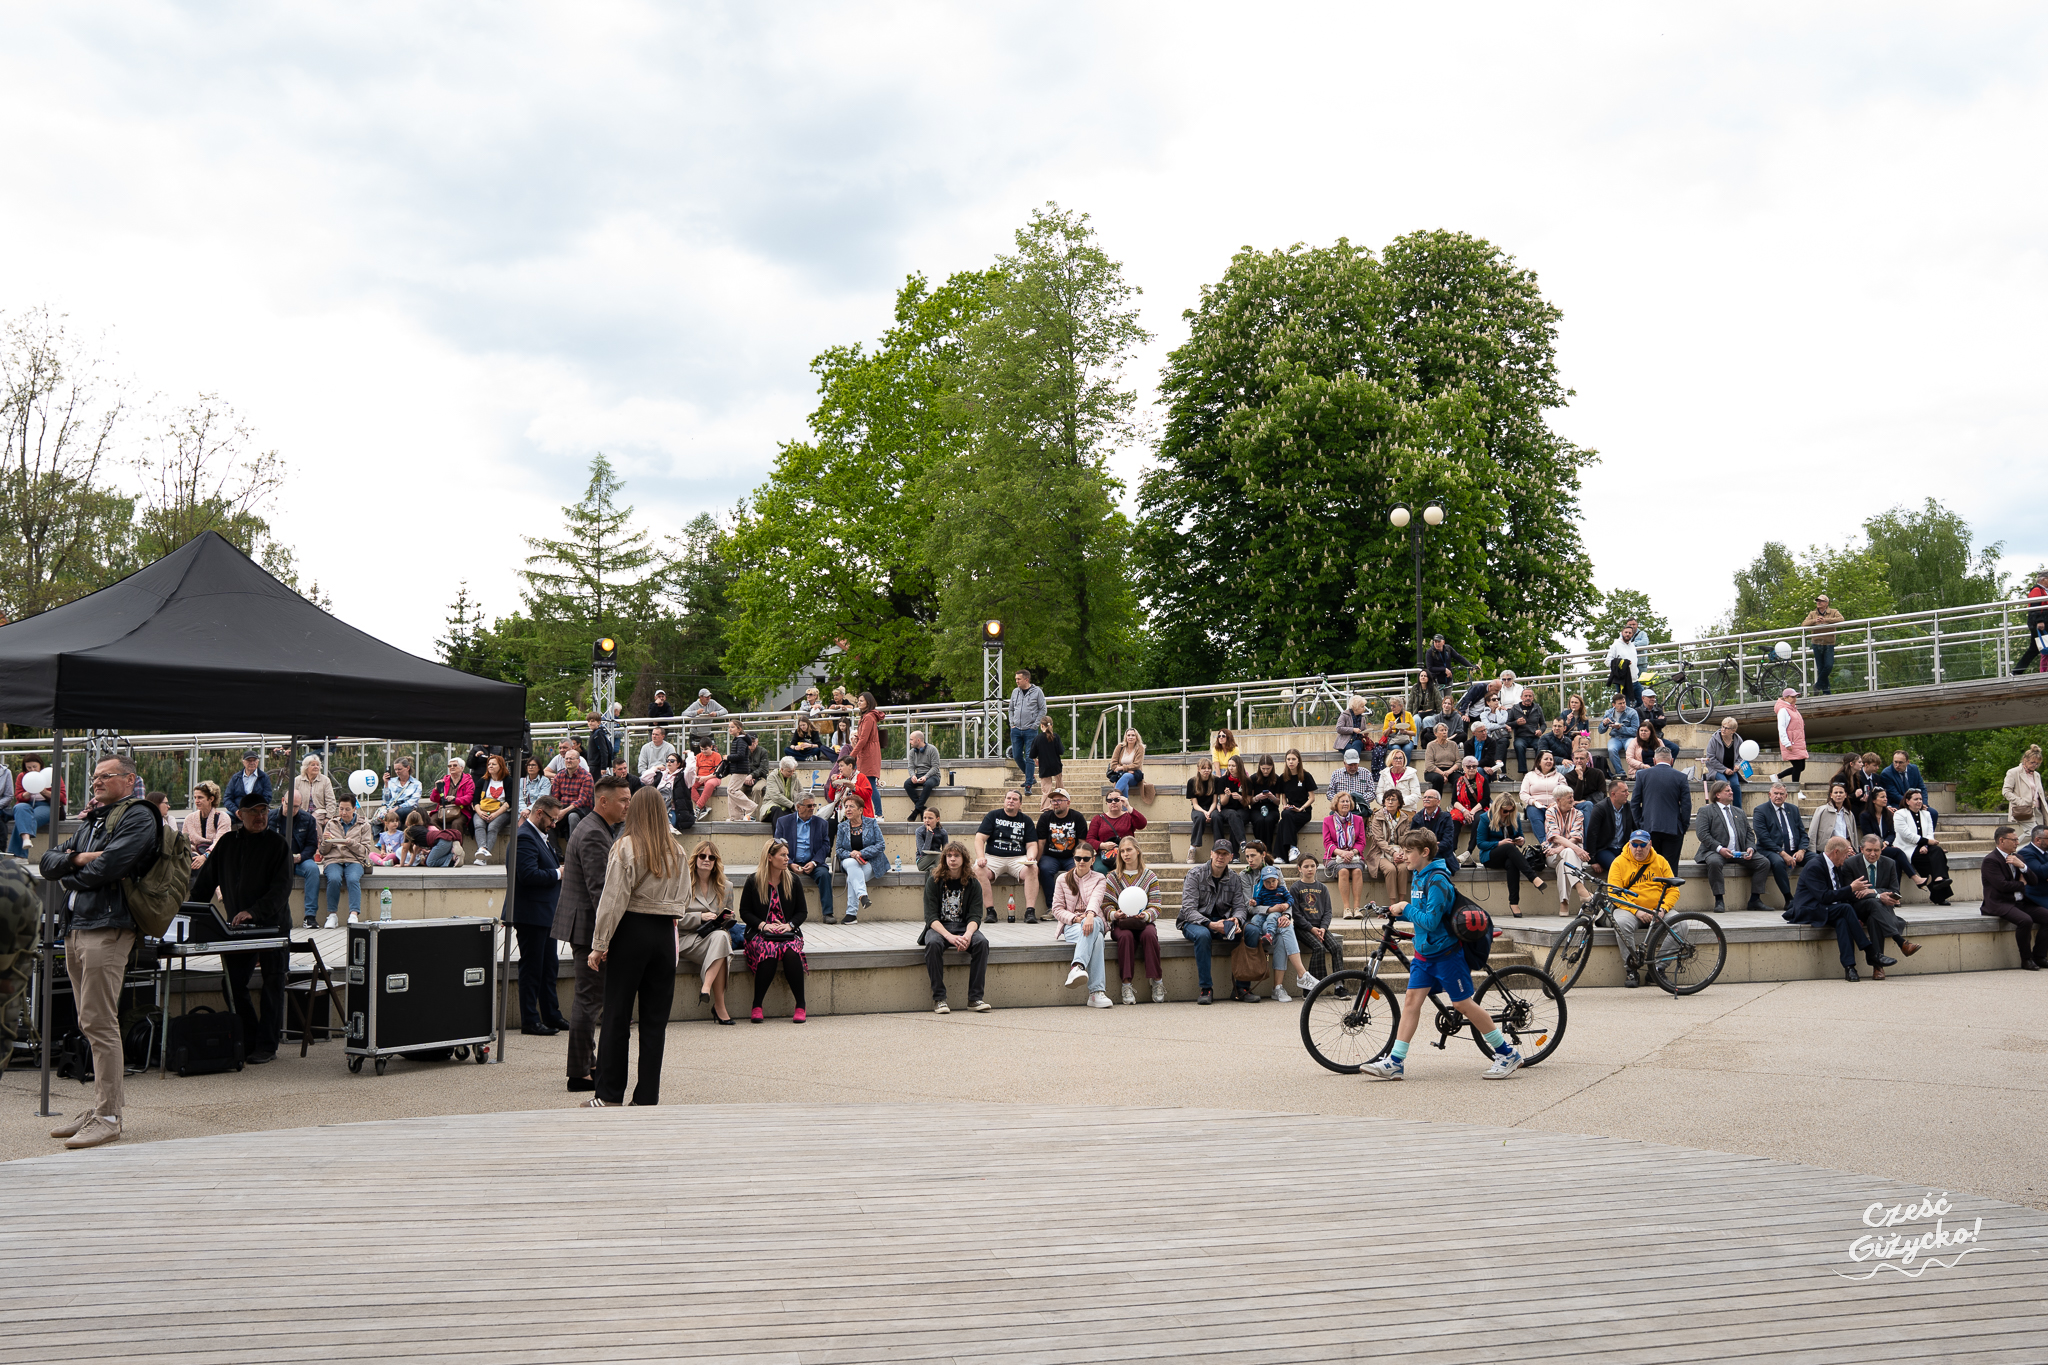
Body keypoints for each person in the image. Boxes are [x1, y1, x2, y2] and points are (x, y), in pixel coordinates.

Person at [39, 757, 161, 1148]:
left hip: (107, 929)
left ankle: (109, 1116)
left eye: (105, 776)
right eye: (94, 777)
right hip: (78, 927)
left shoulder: (138, 816)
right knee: (89, 1021)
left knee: (100, 1022)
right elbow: (47, 862)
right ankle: (99, 1107)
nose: (96, 782)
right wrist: (77, 858)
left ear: (129, 779)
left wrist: (72, 872)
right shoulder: (95, 820)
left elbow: (110, 867)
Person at [1360, 828, 1525, 1081]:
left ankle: (1507, 1053)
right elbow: (1421, 912)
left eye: (1408, 852)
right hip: (1424, 954)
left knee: (1462, 1004)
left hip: (1446, 954)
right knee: (1411, 1002)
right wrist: (1395, 912)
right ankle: (1395, 1062)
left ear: (1425, 852)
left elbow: (1430, 920)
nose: (1403, 856)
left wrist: (1405, 907)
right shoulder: (1419, 875)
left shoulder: (1437, 880)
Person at [580, 787, 687, 1108]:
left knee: (617, 1016)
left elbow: (613, 899)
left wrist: (599, 944)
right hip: (664, 935)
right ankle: (646, 1097)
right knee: (655, 1023)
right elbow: (684, 898)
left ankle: (609, 1095)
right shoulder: (678, 850)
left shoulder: (625, 846)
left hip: (631, 932)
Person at [185, 790, 294, 1066]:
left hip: (273, 926)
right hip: (239, 929)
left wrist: (254, 911)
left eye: (263, 811)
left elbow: (281, 889)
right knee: (232, 983)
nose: (260, 816)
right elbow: (204, 884)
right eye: (253, 812)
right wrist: (190, 913)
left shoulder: (278, 844)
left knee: (273, 983)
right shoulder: (227, 844)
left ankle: (267, 1045)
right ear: (240, 815)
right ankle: (251, 1037)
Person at [551, 773, 630, 1093]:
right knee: (589, 1001)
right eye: (623, 800)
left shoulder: (593, 827)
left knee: (590, 999)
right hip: (588, 929)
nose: (627, 805)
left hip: (583, 925)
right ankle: (579, 1073)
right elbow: (601, 892)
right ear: (603, 801)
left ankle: (589, 1064)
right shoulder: (595, 833)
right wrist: (606, 938)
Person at [510, 796, 571, 1035]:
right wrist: (558, 873)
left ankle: (551, 1015)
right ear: (539, 813)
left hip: (544, 913)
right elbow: (527, 875)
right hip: (531, 914)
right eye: (552, 819)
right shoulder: (525, 836)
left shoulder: (537, 836)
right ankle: (530, 1020)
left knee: (549, 967)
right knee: (532, 968)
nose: (554, 824)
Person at [1787, 836, 1877, 981]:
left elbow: (1839, 895)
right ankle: (1870, 951)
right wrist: (1851, 888)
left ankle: (1850, 968)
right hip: (1809, 909)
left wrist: (1855, 918)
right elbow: (1824, 896)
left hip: (1827, 908)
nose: (1847, 858)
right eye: (1846, 854)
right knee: (1845, 909)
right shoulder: (1814, 866)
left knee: (1843, 920)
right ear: (1836, 852)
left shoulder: (1837, 866)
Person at [740, 837, 810, 1022]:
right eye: (783, 855)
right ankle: (757, 1005)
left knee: (791, 951)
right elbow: (744, 912)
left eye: (787, 855)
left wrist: (789, 925)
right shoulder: (753, 881)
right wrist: (763, 925)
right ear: (770, 857)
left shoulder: (793, 880)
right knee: (769, 950)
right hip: (760, 932)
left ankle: (800, 1005)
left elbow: (802, 912)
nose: (787, 859)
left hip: (788, 932)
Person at [1178, 839, 1253, 1006]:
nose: (1220, 856)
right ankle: (1206, 989)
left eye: (1225, 854)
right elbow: (1189, 910)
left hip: (1223, 921)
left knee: (1252, 931)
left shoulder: (1234, 878)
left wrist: (1236, 920)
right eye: (1218, 853)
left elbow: (1240, 907)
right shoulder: (1195, 874)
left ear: (1231, 857)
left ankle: (1241, 988)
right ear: (1211, 854)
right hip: (1194, 922)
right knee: (1203, 935)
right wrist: (1211, 925)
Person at [922, 842, 990, 1013]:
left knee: (982, 943)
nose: (952, 859)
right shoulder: (934, 881)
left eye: (956, 856)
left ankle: (975, 999)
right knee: (933, 944)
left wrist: (967, 934)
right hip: (939, 928)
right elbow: (930, 918)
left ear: (964, 859)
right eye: (949, 855)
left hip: (964, 927)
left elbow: (975, 916)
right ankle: (939, 999)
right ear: (944, 858)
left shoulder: (973, 883)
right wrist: (949, 937)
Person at [1606, 829, 1678, 989]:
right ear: (1629, 844)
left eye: (1643, 845)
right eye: (1635, 844)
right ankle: (1631, 969)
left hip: (1658, 910)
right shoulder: (1618, 862)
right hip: (1630, 909)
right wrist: (1636, 911)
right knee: (1621, 923)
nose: (1638, 849)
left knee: (1681, 924)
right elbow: (1613, 893)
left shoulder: (1661, 861)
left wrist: (1663, 909)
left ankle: (1657, 970)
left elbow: (1674, 890)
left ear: (1650, 844)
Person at [1049, 838, 1115, 1008]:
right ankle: (1096, 993)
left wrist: (1090, 915)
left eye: (1086, 858)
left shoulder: (1100, 878)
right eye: (1078, 858)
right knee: (1097, 939)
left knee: (1094, 927)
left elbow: (1096, 899)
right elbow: (1057, 909)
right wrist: (1076, 919)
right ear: (1074, 859)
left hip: (1095, 920)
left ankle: (1077, 967)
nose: (1081, 862)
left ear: (1093, 860)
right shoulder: (1062, 879)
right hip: (1072, 925)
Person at [678, 840, 739, 1025]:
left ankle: (706, 988)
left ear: (715, 862)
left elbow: (729, 920)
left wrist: (727, 918)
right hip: (686, 939)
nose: (706, 860)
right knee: (722, 947)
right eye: (702, 856)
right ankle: (719, 1006)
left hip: (712, 938)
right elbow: (674, 919)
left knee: (721, 937)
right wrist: (700, 917)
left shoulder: (726, 886)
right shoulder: (683, 883)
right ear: (695, 858)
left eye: (711, 857)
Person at [1104, 836, 1165, 1004]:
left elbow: (1156, 905)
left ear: (1137, 851)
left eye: (1129, 850)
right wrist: (1114, 914)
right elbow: (1106, 904)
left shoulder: (1149, 876)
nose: (1125, 854)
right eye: (1122, 851)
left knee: (1149, 935)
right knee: (1126, 937)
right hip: (1122, 924)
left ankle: (1157, 981)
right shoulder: (1113, 877)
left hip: (1143, 922)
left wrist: (1146, 915)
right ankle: (1126, 984)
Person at [1244, 862, 1316, 1002]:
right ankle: (1301, 974)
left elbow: (1289, 900)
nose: (1250, 860)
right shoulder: (1245, 876)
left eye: (1253, 855)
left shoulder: (1279, 881)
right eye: (1247, 856)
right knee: (1280, 925)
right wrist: (1269, 908)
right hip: (1261, 919)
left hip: (1275, 918)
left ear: (1263, 855)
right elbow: (1251, 908)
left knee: (1284, 926)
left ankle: (1278, 987)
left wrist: (1286, 914)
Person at [1850, 832, 1919, 975]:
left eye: (1876, 850)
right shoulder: (1850, 864)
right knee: (1874, 903)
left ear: (1882, 849)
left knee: (1874, 919)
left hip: (1880, 910)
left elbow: (1894, 890)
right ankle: (1900, 942)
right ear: (1861, 849)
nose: (1873, 854)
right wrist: (1878, 895)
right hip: (1858, 907)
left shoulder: (1890, 863)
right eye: (1869, 850)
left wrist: (1873, 892)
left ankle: (1878, 967)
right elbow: (1851, 893)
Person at [1694, 780, 1765, 912]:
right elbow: (1702, 834)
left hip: (1739, 852)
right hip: (1715, 851)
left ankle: (1755, 899)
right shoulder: (1706, 811)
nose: (1731, 792)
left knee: (1763, 862)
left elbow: (1749, 834)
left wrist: (1750, 848)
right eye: (1727, 791)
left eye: (1731, 790)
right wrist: (1720, 849)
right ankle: (1719, 900)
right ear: (1717, 795)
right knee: (1714, 862)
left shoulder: (1739, 812)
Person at [1477, 792, 1547, 918]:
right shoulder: (1485, 818)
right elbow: (1481, 843)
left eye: (1511, 810)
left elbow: (1520, 835)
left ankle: (1514, 903)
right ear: (1497, 807)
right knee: (1509, 847)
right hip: (1490, 856)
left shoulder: (1514, 817)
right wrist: (1499, 843)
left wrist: (1521, 841)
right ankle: (1533, 877)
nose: (1508, 813)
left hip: (1509, 855)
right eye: (1505, 811)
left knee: (1512, 863)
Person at [975, 786, 1038, 922]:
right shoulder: (993, 816)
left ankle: (1030, 912)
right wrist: (980, 857)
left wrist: (1031, 857)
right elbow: (979, 838)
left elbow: (1032, 844)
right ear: (1004, 801)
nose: (1011, 801)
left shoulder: (1026, 820)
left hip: (1018, 858)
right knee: (978, 869)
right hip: (994, 857)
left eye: (1015, 799)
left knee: (1033, 868)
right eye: (1008, 798)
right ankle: (990, 912)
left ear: (1020, 804)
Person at [774, 792, 835, 924]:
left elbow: (825, 846)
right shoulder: (783, 822)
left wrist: (814, 862)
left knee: (824, 874)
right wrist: (789, 863)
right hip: (789, 862)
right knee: (780, 874)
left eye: (813, 805)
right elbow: (777, 845)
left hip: (813, 862)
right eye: (808, 806)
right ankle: (781, 914)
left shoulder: (822, 823)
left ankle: (828, 913)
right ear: (798, 807)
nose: (812, 808)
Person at [1630, 747, 1692, 871]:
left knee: (1650, 869)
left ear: (1654, 760)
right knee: (1670, 869)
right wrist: (1683, 826)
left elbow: (1635, 803)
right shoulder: (1681, 777)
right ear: (1672, 760)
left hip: (1649, 827)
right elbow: (1686, 805)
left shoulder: (1642, 775)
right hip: (1673, 828)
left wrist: (1641, 824)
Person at [1751, 781, 1809, 909]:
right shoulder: (1760, 810)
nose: (1778, 796)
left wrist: (1802, 850)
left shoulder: (1793, 809)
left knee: (1816, 860)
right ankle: (1788, 898)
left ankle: (1810, 895)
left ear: (1786, 796)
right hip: (1771, 850)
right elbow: (1763, 838)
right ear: (1769, 795)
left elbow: (1803, 834)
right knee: (1778, 862)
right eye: (1775, 793)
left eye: (1781, 794)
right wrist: (1782, 853)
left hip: (1794, 849)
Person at [1288, 852, 1344, 983]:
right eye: (1306, 866)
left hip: (1320, 928)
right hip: (1303, 929)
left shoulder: (1322, 888)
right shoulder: (1295, 888)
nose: (1310, 869)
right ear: (1299, 868)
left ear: (1316, 867)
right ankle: (1314, 986)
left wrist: (1323, 928)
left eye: (1312, 866)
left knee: (1336, 947)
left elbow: (1328, 912)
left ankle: (1339, 985)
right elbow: (1296, 914)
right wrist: (1311, 929)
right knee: (1319, 948)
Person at [318, 795, 371, 924]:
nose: (343, 813)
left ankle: (354, 914)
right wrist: (326, 841)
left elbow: (365, 852)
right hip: (333, 859)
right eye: (341, 809)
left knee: (353, 879)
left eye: (347, 809)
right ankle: (332, 915)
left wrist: (351, 843)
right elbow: (323, 851)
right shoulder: (332, 823)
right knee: (334, 879)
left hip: (354, 860)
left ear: (354, 809)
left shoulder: (364, 825)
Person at [833, 793, 885, 924]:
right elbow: (839, 850)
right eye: (846, 807)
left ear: (861, 810)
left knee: (852, 878)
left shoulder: (871, 823)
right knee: (852, 864)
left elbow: (880, 845)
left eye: (851, 806)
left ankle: (851, 915)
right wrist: (852, 854)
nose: (848, 809)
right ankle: (862, 895)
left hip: (870, 862)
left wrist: (861, 853)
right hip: (849, 860)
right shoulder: (842, 826)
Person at [1033, 787, 1087, 909]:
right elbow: (1041, 843)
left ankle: (1075, 907)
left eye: (1059, 800)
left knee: (1077, 871)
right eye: (1053, 801)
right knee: (1045, 869)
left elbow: (1082, 842)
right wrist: (1036, 862)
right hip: (1050, 856)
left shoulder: (1077, 817)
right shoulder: (1045, 817)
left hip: (1071, 856)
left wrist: (1082, 859)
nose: (1055, 803)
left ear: (1068, 802)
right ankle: (1052, 907)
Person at [1894, 789, 1951, 904]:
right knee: (1928, 860)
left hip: (1923, 846)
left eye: (1920, 799)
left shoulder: (1926, 814)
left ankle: (1939, 878)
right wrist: (1926, 842)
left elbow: (1930, 833)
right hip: (1907, 848)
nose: (1919, 801)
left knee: (1937, 851)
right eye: (1916, 799)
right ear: (1907, 801)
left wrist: (1925, 845)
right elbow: (1906, 835)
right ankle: (1939, 896)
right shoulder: (1900, 814)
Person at [1542, 785, 1590, 914]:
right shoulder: (1550, 812)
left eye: (1572, 797)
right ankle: (1581, 890)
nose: (1572, 800)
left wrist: (1561, 848)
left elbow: (1575, 837)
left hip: (1566, 853)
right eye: (1569, 797)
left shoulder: (1578, 814)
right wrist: (1577, 849)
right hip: (1552, 855)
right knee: (1569, 852)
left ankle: (1564, 902)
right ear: (1558, 800)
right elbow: (1555, 837)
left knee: (1565, 860)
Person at [1323, 789, 1370, 919]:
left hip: (1355, 856)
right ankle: (1346, 908)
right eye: (1342, 801)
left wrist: (1351, 852)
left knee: (1357, 871)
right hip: (1334, 857)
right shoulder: (1328, 820)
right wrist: (1342, 853)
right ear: (1336, 804)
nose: (1345, 803)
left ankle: (1357, 908)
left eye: (1347, 801)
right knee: (1343, 871)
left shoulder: (1358, 820)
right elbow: (1327, 842)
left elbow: (1361, 841)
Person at [1363, 788, 1412, 911]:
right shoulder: (1377, 816)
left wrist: (1401, 853)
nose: (1390, 802)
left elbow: (1406, 838)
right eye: (1387, 799)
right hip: (1380, 852)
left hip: (1399, 851)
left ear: (1399, 802)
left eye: (1393, 799)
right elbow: (1379, 840)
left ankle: (1401, 903)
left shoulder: (1404, 817)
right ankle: (1392, 905)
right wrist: (1393, 853)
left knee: (1403, 868)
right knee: (1390, 869)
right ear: (1384, 802)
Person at [1584, 780, 1639, 880]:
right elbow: (1592, 834)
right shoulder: (1600, 808)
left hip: (1624, 849)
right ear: (1613, 794)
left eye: (1627, 791)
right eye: (1624, 791)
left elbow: (1637, 830)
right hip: (1604, 849)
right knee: (1617, 868)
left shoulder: (1629, 807)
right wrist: (1592, 860)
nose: (1627, 794)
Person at [1008, 669, 1048, 794]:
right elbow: (1010, 709)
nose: (1016, 681)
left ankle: (1028, 785)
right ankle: (1031, 777)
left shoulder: (1037, 692)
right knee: (1016, 756)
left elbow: (1043, 709)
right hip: (1016, 730)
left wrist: (1035, 725)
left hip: (1030, 730)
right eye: (1016, 679)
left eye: (1018, 679)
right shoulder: (1015, 692)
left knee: (1030, 757)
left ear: (1026, 680)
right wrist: (1012, 723)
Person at [1798, 593, 1848, 693]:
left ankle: (1818, 685)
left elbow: (1841, 619)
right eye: (1818, 601)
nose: (1818, 602)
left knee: (1829, 665)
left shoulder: (1833, 612)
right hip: (1816, 642)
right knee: (1820, 668)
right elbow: (1804, 624)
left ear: (1826, 603)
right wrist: (1814, 621)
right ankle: (1826, 692)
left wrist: (1826, 620)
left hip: (1829, 642)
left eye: (1821, 601)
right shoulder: (1812, 614)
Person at [471, 754, 515, 862]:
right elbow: (475, 801)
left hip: (502, 811)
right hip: (483, 810)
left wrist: (495, 814)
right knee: (479, 825)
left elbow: (509, 802)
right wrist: (480, 812)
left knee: (492, 827)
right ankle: (483, 849)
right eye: (489, 764)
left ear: (501, 766)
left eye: (493, 764)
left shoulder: (508, 781)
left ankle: (482, 858)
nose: (490, 766)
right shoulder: (482, 781)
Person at [1408, 788, 1461, 877]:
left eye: (1430, 797)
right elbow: (1412, 839)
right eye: (1424, 797)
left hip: (1441, 855)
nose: (1426, 799)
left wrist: (1431, 848)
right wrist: (1427, 848)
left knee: (1436, 872)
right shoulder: (1417, 818)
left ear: (1438, 802)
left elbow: (1447, 841)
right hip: (1422, 855)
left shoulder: (1446, 817)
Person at [549, 749, 595, 851]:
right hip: (562, 808)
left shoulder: (586, 776)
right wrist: (556, 812)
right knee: (548, 819)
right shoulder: (559, 776)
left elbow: (582, 800)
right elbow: (555, 798)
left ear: (578, 761)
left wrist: (563, 812)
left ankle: (573, 850)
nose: (568, 761)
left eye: (571, 758)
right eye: (567, 759)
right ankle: (556, 852)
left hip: (581, 809)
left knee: (572, 816)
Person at [1518, 751, 1565, 846]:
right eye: (1546, 759)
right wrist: (1534, 802)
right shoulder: (1529, 775)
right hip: (1536, 806)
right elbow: (1523, 793)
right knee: (1533, 813)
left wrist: (1557, 803)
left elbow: (1564, 792)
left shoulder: (1559, 776)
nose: (1549, 761)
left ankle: (1558, 843)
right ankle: (1545, 844)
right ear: (1539, 761)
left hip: (1555, 805)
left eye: (1551, 759)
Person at [289, 798, 322, 928]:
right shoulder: (272, 817)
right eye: (289, 805)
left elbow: (312, 845)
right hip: (279, 861)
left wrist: (301, 857)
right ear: (283, 801)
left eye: (296, 806)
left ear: (301, 805)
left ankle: (310, 916)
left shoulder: (308, 819)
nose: (292, 810)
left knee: (313, 870)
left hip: (301, 859)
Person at [1447, 757, 1489, 857]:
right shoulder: (1458, 781)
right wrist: (1464, 811)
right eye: (1468, 766)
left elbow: (1485, 800)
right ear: (1463, 768)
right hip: (1462, 808)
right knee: (1453, 819)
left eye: (1474, 766)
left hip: (1478, 808)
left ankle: (1469, 851)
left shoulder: (1483, 780)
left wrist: (1472, 812)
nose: (1471, 768)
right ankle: (1452, 850)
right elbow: (1454, 801)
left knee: (1479, 819)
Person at [1701, 717, 1747, 809]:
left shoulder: (1738, 740)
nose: (1723, 729)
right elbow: (1711, 758)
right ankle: (1723, 808)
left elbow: (1742, 756)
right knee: (1724, 784)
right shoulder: (1714, 739)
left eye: (1726, 728)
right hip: (1716, 769)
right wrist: (1724, 770)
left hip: (1731, 769)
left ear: (1733, 731)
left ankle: (1738, 810)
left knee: (1735, 785)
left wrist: (1737, 765)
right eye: (1722, 727)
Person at [1421, 633, 1473, 713]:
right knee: (1441, 702)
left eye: (1439, 642)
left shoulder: (1448, 649)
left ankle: (1449, 716)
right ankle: (1441, 716)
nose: (1437, 644)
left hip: (1448, 680)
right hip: (1437, 681)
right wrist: (1444, 669)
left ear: (1443, 642)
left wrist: (1471, 666)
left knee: (1448, 701)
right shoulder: (1430, 652)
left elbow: (1459, 657)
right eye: (1435, 642)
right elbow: (1430, 668)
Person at [182, 781, 229, 867]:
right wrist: (195, 855)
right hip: (194, 856)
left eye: (200, 797)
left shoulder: (223, 817)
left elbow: (221, 842)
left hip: (216, 856)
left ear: (211, 799)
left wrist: (205, 856)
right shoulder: (189, 818)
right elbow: (185, 842)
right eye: (195, 797)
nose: (196, 801)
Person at [1185, 756, 1224, 860]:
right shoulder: (1192, 782)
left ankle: (1219, 846)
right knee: (1199, 817)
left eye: (1209, 768)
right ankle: (1192, 848)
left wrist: (1209, 812)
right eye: (1203, 768)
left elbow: (1215, 801)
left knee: (1217, 817)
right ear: (1198, 769)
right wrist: (1204, 812)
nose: (1206, 770)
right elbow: (1195, 804)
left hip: (1212, 808)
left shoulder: (1215, 780)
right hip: (1199, 808)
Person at [1808, 782, 1860, 858]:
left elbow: (1852, 835)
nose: (1838, 795)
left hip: (1844, 850)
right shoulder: (1822, 810)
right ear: (1831, 795)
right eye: (1836, 792)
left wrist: (1851, 849)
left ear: (1845, 795)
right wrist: (1812, 853)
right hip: (1826, 851)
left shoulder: (1849, 814)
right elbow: (1812, 832)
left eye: (1841, 792)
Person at [223, 748, 274, 824]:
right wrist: (236, 811)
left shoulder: (264, 777)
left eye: (254, 760)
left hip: (257, 813)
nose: (252, 763)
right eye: (249, 760)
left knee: (272, 816)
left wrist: (255, 809)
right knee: (224, 817)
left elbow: (267, 797)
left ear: (258, 761)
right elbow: (227, 798)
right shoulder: (236, 778)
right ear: (243, 762)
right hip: (237, 812)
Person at [1244, 754, 1283, 851]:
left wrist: (1272, 797)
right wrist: (1257, 798)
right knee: (1259, 821)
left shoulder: (1276, 779)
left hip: (1272, 808)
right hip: (1256, 808)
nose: (1265, 771)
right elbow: (1250, 801)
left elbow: (1278, 802)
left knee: (1269, 821)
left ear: (1272, 767)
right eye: (1263, 768)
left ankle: (1268, 850)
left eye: (1268, 769)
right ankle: (1259, 848)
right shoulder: (1253, 778)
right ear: (1259, 767)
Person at [1772, 688, 1810, 785]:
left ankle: (1777, 776)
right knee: (1798, 766)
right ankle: (1795, 787)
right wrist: (1786, 743)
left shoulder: (1794, 709)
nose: (1794, 699)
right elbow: (1781, 728)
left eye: (1795, 696)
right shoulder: (1783, 710)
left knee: (1801, 767)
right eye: (1792, 697)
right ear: (1785, 698)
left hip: (1798, 742)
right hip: (1791, 743)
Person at [1596, 693, 1639, 777]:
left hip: (1629, 737)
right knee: (1611, 749)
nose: (1622, 705)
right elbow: (1600, 731)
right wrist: (1604, 724)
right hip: (1615, 738)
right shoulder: (1609, 713)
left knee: (1630, 747)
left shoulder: (1632, 712)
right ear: (1614, 705)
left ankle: (1634, 772)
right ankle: (1620, 773)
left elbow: (1636, 731)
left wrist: (1620, 728)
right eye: (1620, 703)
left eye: (1624, 702)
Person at [1605, 619, 1647, 706]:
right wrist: (1622, 663)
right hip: (1622, 681)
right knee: (1624, 705)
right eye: (1626, 632)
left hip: (1635, 680)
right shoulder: (1616, 645)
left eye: (1629, 633)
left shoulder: (1632, 645)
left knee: (1643, 702)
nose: (1627, 634)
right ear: (1622, 633)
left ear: (1632, 634)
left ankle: (1634, 714)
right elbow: (1608, 661)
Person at [755, 755, 804, 828]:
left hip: (789, 808)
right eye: (789, 771)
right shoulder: (772, 777)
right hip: (772, 807)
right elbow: (776, 796)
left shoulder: (794, 777)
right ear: (782, 769)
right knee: (778, 811)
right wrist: (792, 805)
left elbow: (801, 792)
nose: (792, 773)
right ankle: (778, 835)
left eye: (793, 771)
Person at [2003, 745, 2045, 827]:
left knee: (2041, 833)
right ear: (2025, 760)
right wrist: (2021, 802)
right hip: (2023, 810)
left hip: (2037, 810)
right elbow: (2006, 792)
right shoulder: (2013, 772)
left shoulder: (2036, 775)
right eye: (2032, 762)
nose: (2035, 765)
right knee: (2031, 832)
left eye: (2037, 763)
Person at [903, 730, 943, 818]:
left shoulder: (932, 749)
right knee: (907, 784)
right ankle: (921, 808)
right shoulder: (912, 752)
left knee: (928, 784)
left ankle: (916, 810)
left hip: (933, 776)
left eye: (911, 739)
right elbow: (911, 767)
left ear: (918, 740)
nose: (909, 742)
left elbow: (935, 767)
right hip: (919, 775)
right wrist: (913, 776)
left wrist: (926, 777)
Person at [1507, 688, 1546, 775]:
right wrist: (1516, 723)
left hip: (1534, 737)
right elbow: (1508, 723)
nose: (1528, 698)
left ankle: (1537, 769)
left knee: (1541, 746)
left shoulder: (1537, 708)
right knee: (1519, 746)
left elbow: (1543, 724)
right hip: (1520, 737)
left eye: (1530, 696)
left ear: (1533, 698)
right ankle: (1523, 771)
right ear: (1521, 697)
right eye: (1526, 696)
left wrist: (1540, 730)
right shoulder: (1515, 708)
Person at [2016, 570, 2048, 674]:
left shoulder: (2044, 590)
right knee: (2034, 649)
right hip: (2039, 623)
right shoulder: (2037, 590)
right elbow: (2035, 606)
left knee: (2034, 649)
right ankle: (2017, 671)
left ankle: (2017, 671)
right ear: (2043, 579)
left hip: (2043, 622)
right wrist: (2039, 621)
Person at [1328, 747, 1376, 813]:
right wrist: (1342, 800)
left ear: (1358, 762)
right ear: (1344, 763)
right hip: (1341, 808)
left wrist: (1358, 800)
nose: (1353, 767)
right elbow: (1330, 793)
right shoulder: (1336, 774)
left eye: (1355, 764)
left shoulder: (1366, 773)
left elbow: (1372, 793)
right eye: (1350, 765)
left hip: (1360, 808)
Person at [1375, 748, 1421, 814]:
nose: (1398, 760)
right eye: (1395, 758)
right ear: (1391, 760)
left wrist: (1400, 802)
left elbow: (1416, 795)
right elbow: (1379, 793)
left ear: (1404, 760)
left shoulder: (1411, 773)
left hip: (1406, 810)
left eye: (1400, 758)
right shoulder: (1384, 773)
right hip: (1388, 810)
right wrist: (1387, 803)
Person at [1107, 727, 1146, 800]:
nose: (1130, 737)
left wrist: (1122, 768)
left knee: (1126, 775)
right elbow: (1113, 764)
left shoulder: (1140, 748)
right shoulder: (1120, 747)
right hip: (1120, 775)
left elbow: (1137, 765)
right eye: (1128, 735)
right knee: (1125, 786)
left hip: (1134, 776)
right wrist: (1127, 770)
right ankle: (1125, 807)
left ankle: (1113, 797)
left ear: (1136, 737)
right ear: (1126, 737)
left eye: (1133, 735)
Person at [1031, 715, 1064, 794]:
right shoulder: (1056, 737)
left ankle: (1047, 802)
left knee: (1046, 792)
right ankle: (1060, 800)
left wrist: (1036, 760)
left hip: (1044, 767)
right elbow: (1061, 751)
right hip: (1056, 766)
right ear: (1051, 725)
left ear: (1042, 725)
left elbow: (1032, 754)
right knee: (1060, 789)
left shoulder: (1038, 738)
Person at [914, 807, 948, 872]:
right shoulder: (919, 831)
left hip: (937, 860)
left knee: (933, 869)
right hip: (922, 861)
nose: (927, 820)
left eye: (930, 818)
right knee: (939, 857)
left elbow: (946, 851)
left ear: (937, 819)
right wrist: (929, 834)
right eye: (924, 818)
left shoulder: (943, 832)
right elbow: (923, 853)